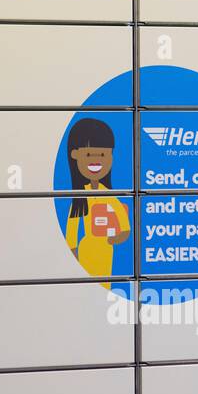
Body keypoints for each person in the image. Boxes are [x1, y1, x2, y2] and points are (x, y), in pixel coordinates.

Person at [64, 116, 130, 279]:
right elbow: (72, 232)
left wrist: (116, 238)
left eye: (102, 154)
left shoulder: (110, 197)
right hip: (86, 249)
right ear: (75, 155)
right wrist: (73, 253)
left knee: (104, 283)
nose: (96, 160)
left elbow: (125, 226)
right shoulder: (80, 197)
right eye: (88, 154)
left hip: (106, 250)